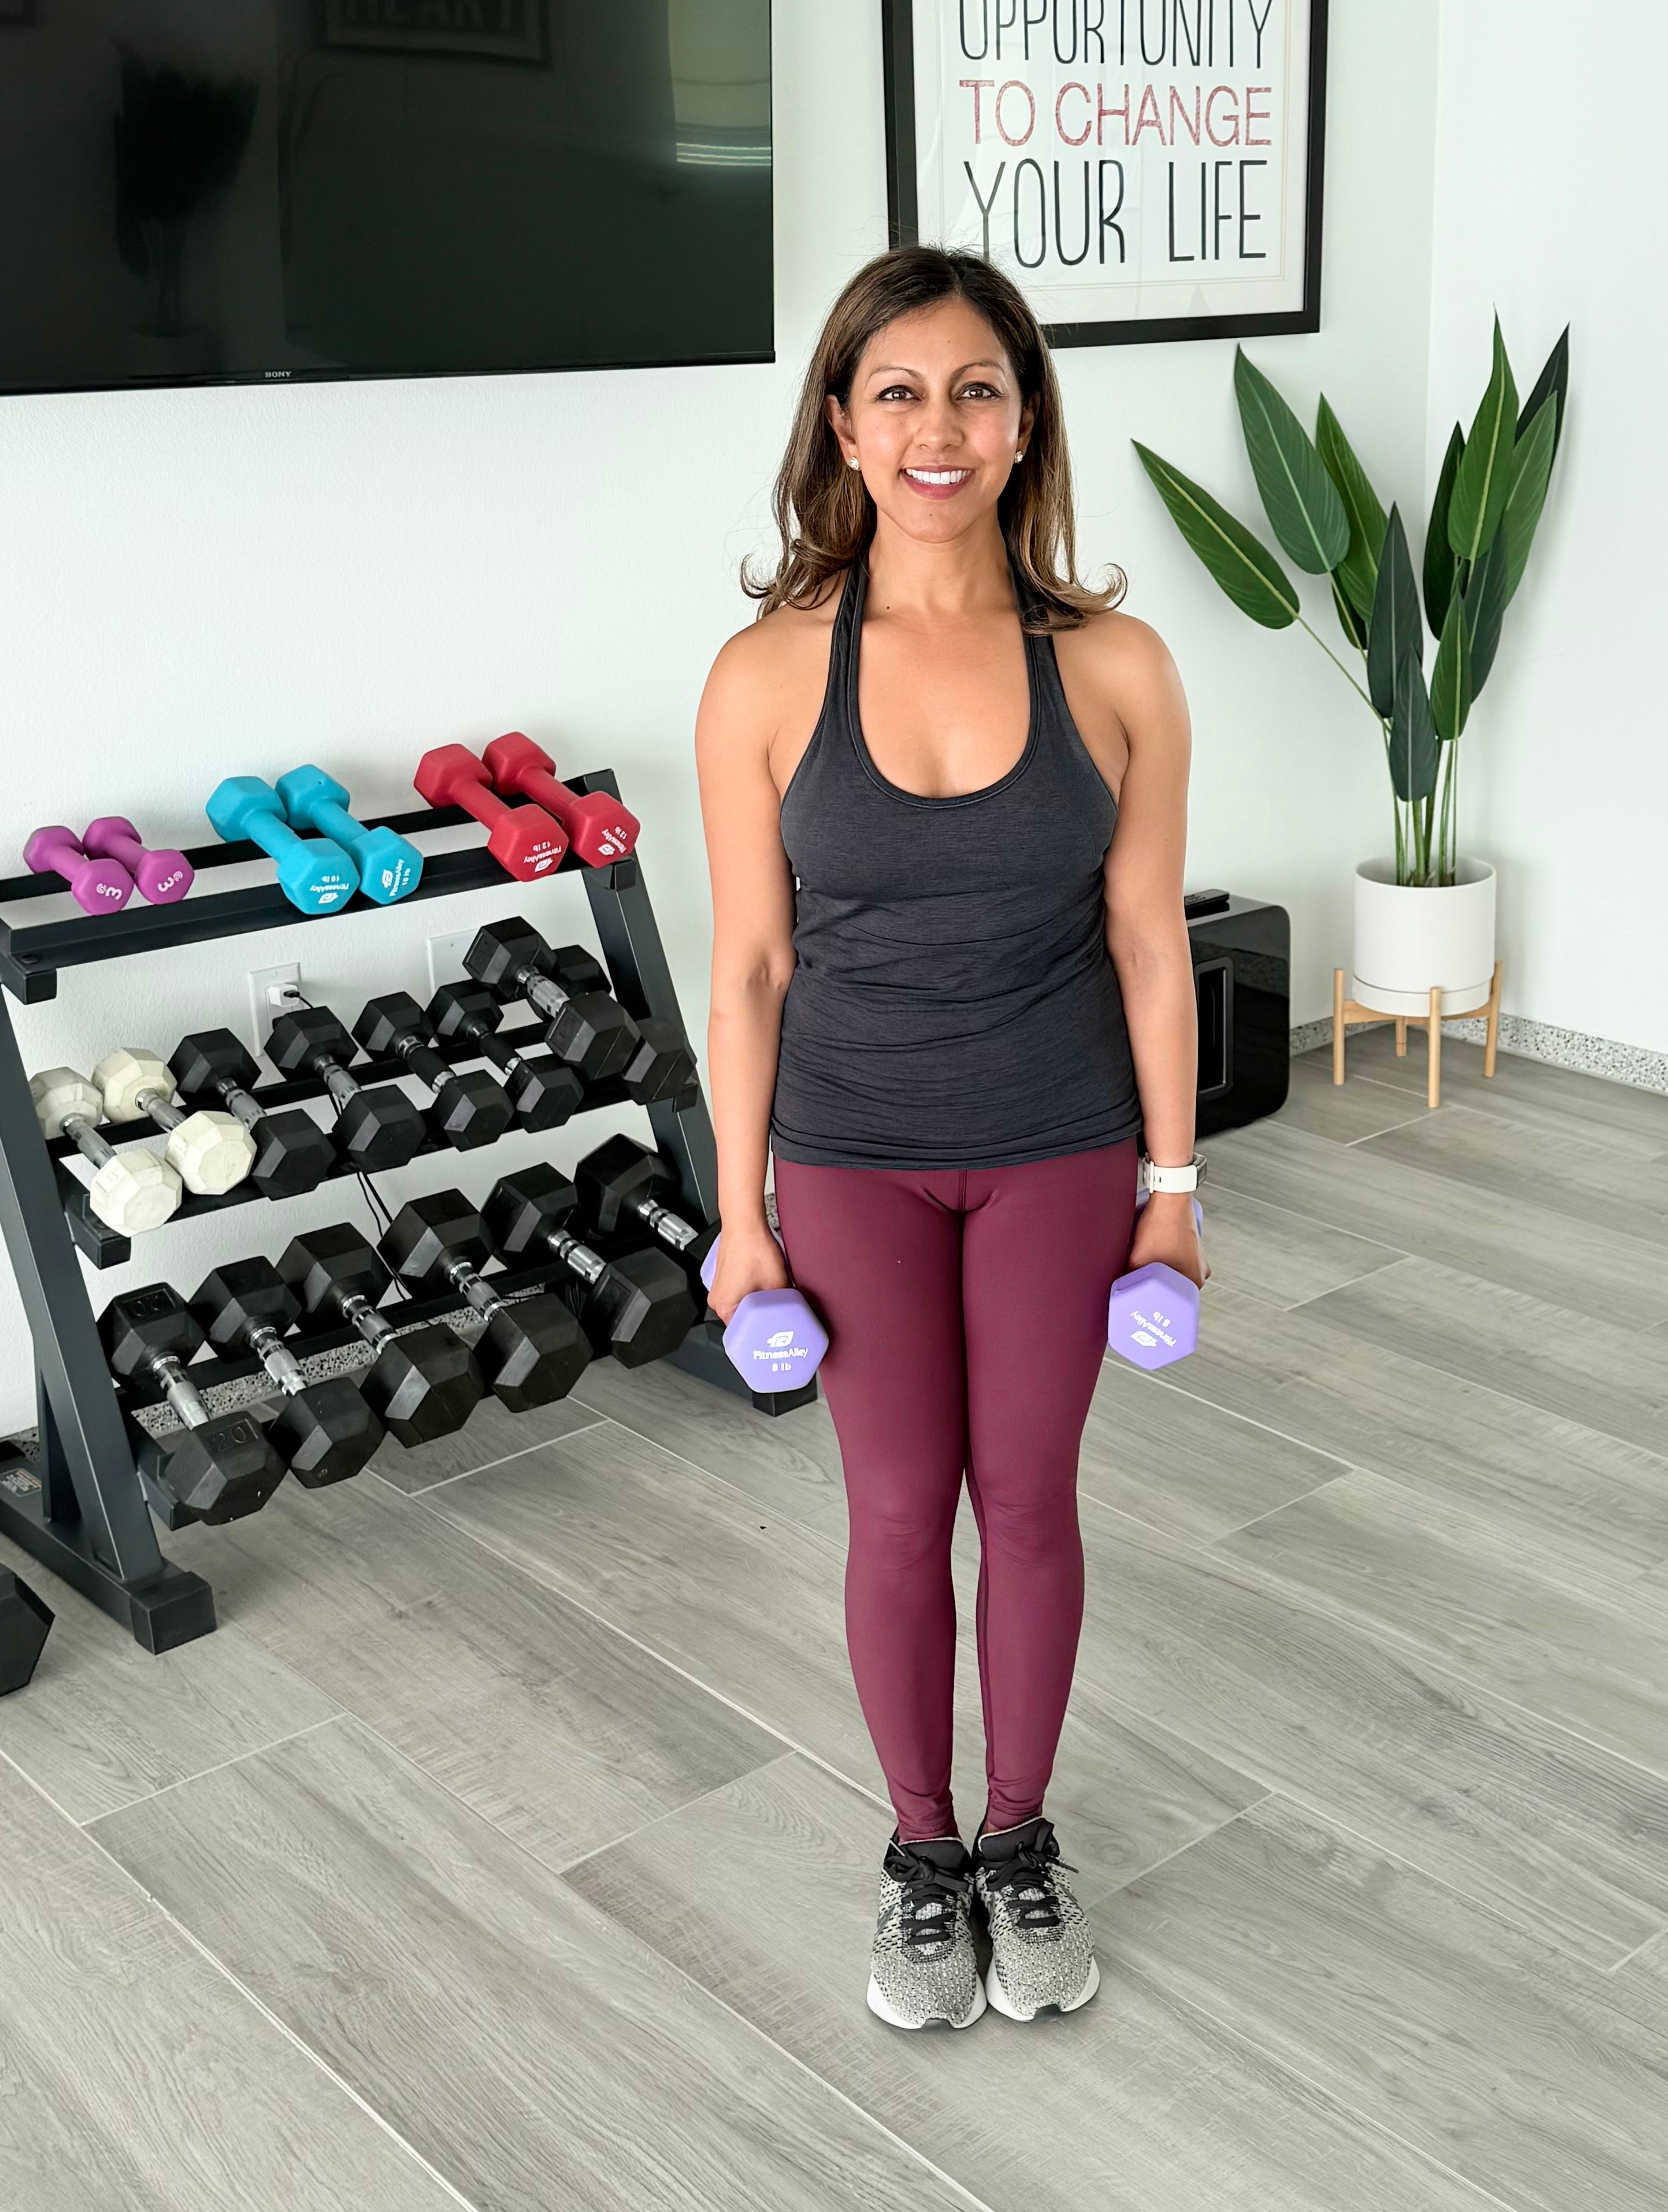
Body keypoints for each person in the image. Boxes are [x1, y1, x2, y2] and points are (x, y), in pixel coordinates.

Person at [693, 244, 1205, 2031]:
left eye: (977, 389)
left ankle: (1020, 1837)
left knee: (1032, 1501)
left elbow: (1151, 944)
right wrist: (741, 1214)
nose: (939, 426)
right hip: (850, 1157)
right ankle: (924, 1857)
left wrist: (1174, 1190)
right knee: (902, 1509)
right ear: (842, 427)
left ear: (1026, 421)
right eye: (898, 391)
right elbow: (748, 966)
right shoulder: (764, 677)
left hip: (1060, 1144)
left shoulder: (1117, 667)